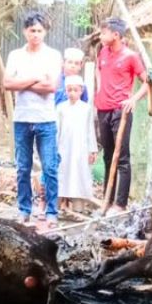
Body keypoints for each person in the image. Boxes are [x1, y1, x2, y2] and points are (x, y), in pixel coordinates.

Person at [3, 11, 63, 228]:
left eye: (39, 30)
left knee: (50, 167)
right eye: (32, 30)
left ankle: (52, 212)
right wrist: (36, 78)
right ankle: (24, 210)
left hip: (46, 118)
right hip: (22, 118)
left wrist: (23, 82)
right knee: (23, 167)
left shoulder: (53, 55)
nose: (35, 34)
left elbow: (51, 87)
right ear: (25, 31)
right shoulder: (15, 56)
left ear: (44, 32)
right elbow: (8, 84)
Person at [94, 17, 148, 213]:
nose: (101, 36)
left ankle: (120, 203)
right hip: (103, 110)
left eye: (104, 33)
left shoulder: (130, 56)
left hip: (120, 111)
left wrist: (133, 99)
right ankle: (106, 200)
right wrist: (99, 93)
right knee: (108, 156)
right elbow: (100, 74)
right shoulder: (103, 53)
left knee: (122, 157)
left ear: (116, 35)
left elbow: (147, 81)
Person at [55, 75, 97, 216]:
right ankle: (56, 205)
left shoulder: (86, 109)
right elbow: (57, 130)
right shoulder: (61, 108)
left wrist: (92, 150)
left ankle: (78, 206)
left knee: (79, 175)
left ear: (81, 91)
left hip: (81, 149)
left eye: (75, 90)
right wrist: (54, 148)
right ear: (65, 91)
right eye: (69, 90)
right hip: (64, 148)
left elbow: (90, 130)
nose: (72, 93)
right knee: (62, 174)